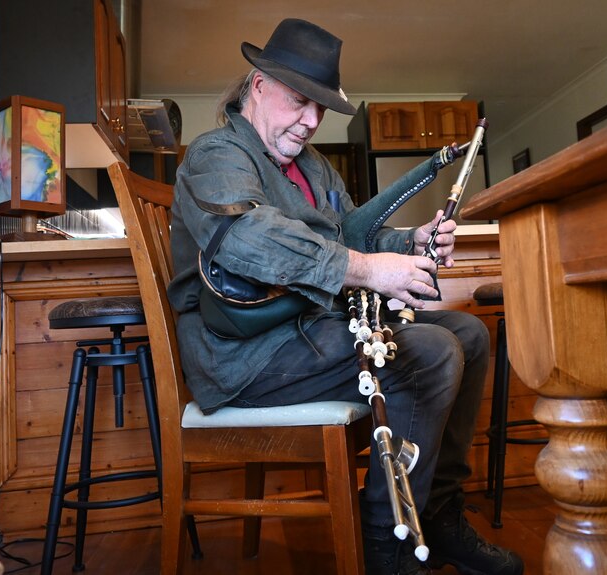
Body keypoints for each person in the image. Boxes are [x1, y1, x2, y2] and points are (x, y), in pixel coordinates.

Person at [167, 17, 524, 575]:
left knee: (470, 335)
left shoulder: (313, 165)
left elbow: (352, 234)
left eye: (320, 108)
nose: (311, 121)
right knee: (427, 354)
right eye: (299, 101)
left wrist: (412, 242)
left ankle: (438, 514)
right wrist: (367, 270)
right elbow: (242, 238)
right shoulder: (217, 155)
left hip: (311, 333)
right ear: (258, 87)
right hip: (248, 357)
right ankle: (387, 541)